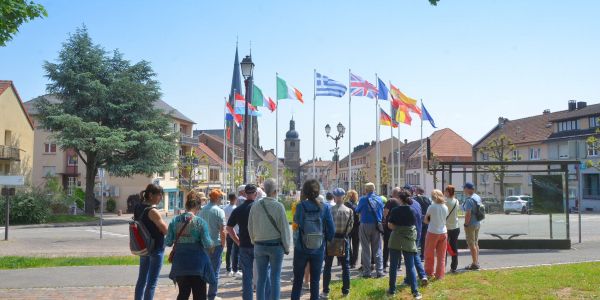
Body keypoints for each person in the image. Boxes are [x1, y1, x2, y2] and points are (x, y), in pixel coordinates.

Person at [166, 192, 216, 300]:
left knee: (183, 294)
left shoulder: (175, 221)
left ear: (186, 205)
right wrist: (213, 246)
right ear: (198, 206)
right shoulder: (200, 222)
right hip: (197, 265)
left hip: (180, 264)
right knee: (200, 296)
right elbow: (208, 243)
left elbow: (168, 241)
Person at [291, 179, 335, 300]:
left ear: (304, 191)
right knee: (315, 281)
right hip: (318, 248)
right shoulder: (325, 208)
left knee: (298, 281)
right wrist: (326, 240)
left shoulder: (301, 206)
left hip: (301, 247)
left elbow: (296, 221)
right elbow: (331, 230)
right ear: (317, 192)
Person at [248, 178, 292, 300]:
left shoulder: (255, 206)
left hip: (259, 245)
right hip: (275, 246)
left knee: (261, 279)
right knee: (275, 278)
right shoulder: (279, 206)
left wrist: (254, 240)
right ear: (275, 191)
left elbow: (250, 226)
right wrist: (287, 246)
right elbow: (284, 229)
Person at [134, 184, 168, 300]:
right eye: (159, 195)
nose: (161, 198)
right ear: (151, 195)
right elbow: (165, 229)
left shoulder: (138, 207)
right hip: (156, 248)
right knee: (152, 282)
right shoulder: (152, 211)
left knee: (141, 280)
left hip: (144, 246)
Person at [387, 190, 422, 299]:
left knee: (393, 266)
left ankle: (392, 290)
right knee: (410, 266)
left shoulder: (395, 210)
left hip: (396, 238)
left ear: (400, 199)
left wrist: (398, 228)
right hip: (409, 239)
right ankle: (415, 292)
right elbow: (415, 225)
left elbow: (390, 226)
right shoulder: (413, 210)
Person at [226, 184, 258, 300]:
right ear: (256, 194)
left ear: (244, 194)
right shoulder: (258, 208)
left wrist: (237, 241)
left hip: (244, 245)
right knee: (261, 275)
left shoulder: (238, 209)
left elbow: (229, 228)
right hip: (258, 244)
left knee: (247, 277)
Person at [321, 188, 353, 299]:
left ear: (334, 197)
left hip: (331, 240)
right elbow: (350, 227)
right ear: (343, 197)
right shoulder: (349, 211)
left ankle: (325, 291)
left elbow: (325, 226)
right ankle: (346, 291)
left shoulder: (329, 210)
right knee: (345, 267)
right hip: (343, 239)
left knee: (328, 266)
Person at [199, 189, 227, 300]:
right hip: (216, 244)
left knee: (204, 271)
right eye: (220, 197)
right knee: (214, 271)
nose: (221, 199)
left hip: (205, 245)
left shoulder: (202, 210)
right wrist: (224, 244)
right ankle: (212, 295)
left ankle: (202, 295)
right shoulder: (219, 211)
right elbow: (223, 230)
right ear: (215, 198)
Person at [355, 182, 385, 278]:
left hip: (365, 224)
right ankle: (379, 271)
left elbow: (357, 210)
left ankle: (367, 272)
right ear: (374, 189)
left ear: (366, 190)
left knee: (365, 249)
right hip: (376, 225)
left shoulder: (363, 199)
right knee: (377, 249)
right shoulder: (379, 199)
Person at [402, 186, 427, 287]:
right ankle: (422, 275)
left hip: (410, 233)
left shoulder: (407, 206)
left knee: (409, 257)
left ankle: (409, 280)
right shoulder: (416, 203)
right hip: (418, 231)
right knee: (414, 254)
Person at [424, 189, 448, 280]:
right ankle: (440, 275)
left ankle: (429, 272)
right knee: (441, 256)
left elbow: (426, 220)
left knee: (429, 254)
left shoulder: (431, 207)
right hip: (443, 232)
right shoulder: (445, 207)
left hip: (433, 231)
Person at [462, 182, 482, 270]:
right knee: (476, 243)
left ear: (468, 189)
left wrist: (466, 224)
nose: (464, 190)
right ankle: (476, 261)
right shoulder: (477, 197)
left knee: (471, 244)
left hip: (471, 224)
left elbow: (468, 214)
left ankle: (474, 264)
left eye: (464, 188)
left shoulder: (469, 199)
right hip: (477, 223)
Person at [383, 189, 401, 273]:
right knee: (398, 246)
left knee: (387, 246)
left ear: (393, 193)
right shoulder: (401, 202)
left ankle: (385, 264)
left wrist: (384, 219)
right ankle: (398, 265)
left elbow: (385, 212)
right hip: (398, 226)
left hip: (389, 226)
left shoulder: (390, 201)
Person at [224, 193, 241, 278]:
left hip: (228, 231)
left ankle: (228, 269)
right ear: (235, 198)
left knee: (229, 251)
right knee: (236, 251)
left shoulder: (225, 208)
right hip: (236, 231)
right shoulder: (236, 209)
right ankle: (235, 270)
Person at [412, 186, 431, 261]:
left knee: (416, 237)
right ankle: (423, 255)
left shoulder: (415, 199)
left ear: (418, 191)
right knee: (424, 238)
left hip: (418, 220)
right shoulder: (428, 199)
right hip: (427, 219)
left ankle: (415, 254)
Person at [444, 185, 460, 273]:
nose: (444, 193)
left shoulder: (446, 202)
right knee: (454, 247)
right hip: (456, 226)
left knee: (444, 247)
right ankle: (454, 266)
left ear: (448, 192)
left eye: (445, 191)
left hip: (447, 227)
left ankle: (443, 265)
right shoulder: (456, 201)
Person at [344, 190, 360, 268]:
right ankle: (354, 261)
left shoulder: (345, 204)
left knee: (348, 245)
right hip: (356, 226)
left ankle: (350, 260)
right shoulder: (357, 205)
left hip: (348, 227)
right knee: (355, 245)